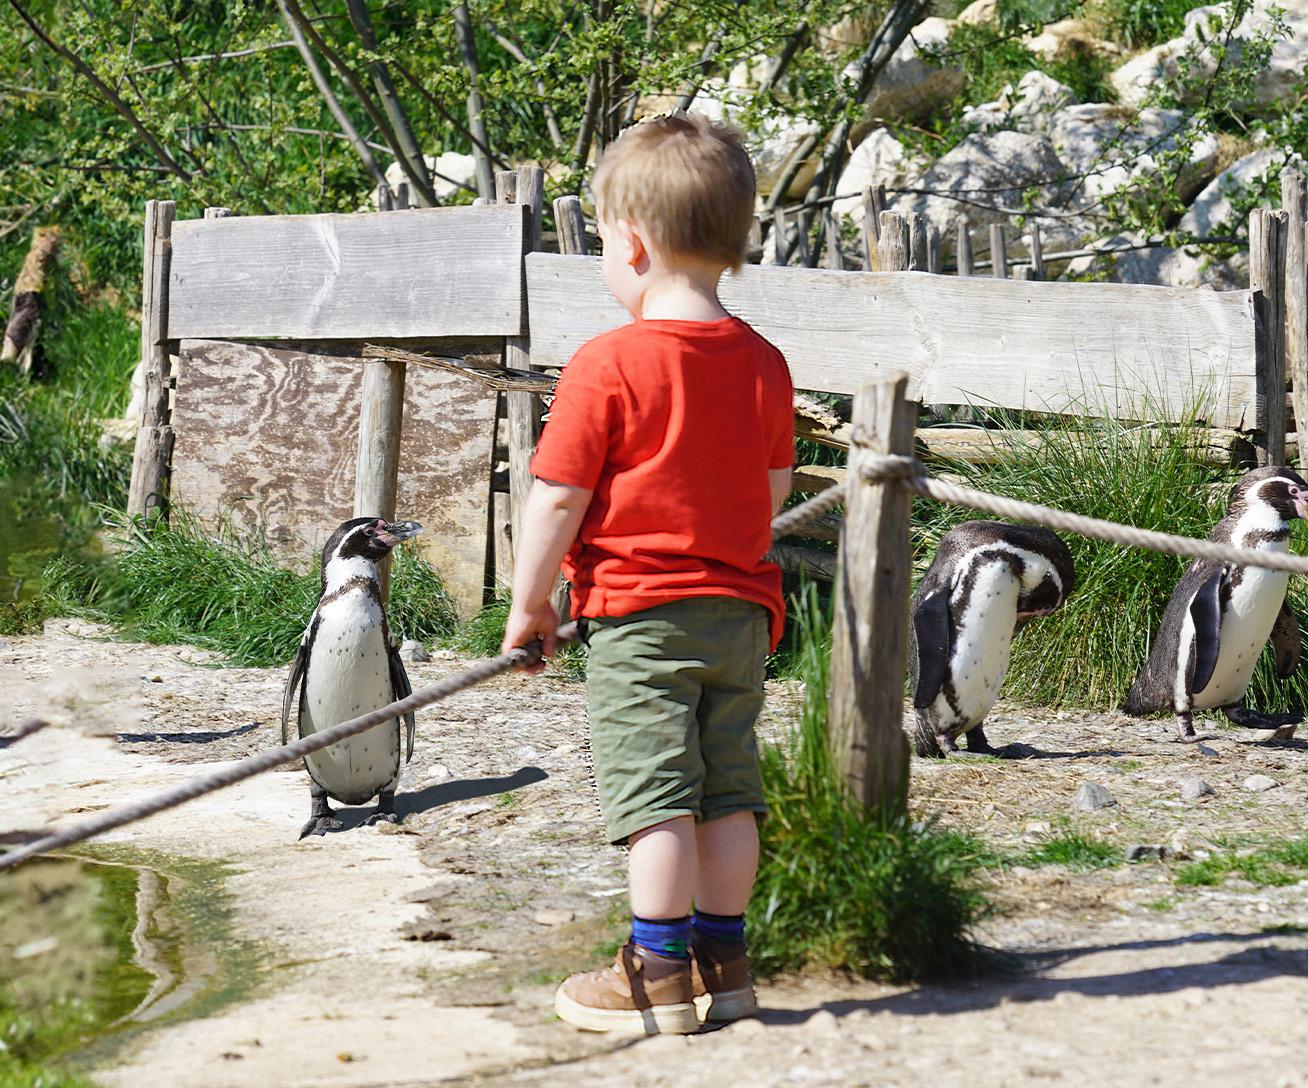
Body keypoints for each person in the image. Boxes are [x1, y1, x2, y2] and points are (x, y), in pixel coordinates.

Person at [500, 111, 794, 1035]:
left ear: (629, 243)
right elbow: (773, 492)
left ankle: (656, 973)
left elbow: (557, 499)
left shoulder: (606, 364)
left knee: (656, 798)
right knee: (728, 792)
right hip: (740, 617)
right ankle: (726, 966)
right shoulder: (765, 364)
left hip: (640, 620)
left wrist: (530, 602)